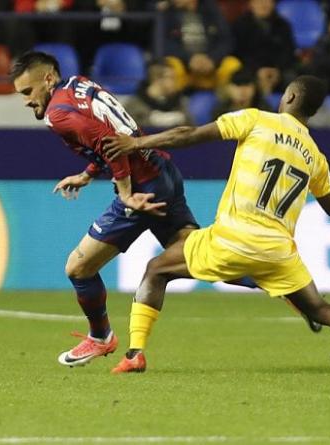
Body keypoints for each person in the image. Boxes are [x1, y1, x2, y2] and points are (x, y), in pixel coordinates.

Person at [100, 75, 330, 376]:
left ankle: (135, 354)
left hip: (234, 237)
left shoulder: (256, 119)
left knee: (157, 270)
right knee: (320, 308)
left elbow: (189, 134)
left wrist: (137, 144)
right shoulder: (315, 156)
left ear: (289, 97)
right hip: (278, 252)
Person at [10, 51, 200, 367]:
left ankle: (100, 337)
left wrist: (125, 193)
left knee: (78, 268)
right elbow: (107, 132)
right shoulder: (78, 85)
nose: (26, 101)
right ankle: (273, 280)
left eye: (28, 92)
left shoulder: (58, 113)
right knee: (200, 254)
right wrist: (87, 174)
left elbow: (109, 140)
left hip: (142, 188)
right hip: (162, 171)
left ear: (48, 78)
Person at [160, 0, 241, 91]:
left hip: (211, 64)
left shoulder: (211, 9)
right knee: (171, 66)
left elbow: (227, 40)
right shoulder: (169, 12)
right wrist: (190, 58)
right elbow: (164, 43)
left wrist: (212, 58)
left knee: (233, 65)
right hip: (185, 65)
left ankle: (225, 102)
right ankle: (176, 103)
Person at [231, 0, 297, 95]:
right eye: (258, 1)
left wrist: (276, 70)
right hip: (250, 70)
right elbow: (238, 53)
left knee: (294, 80)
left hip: (279, 71)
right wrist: (258, 70)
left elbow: (289, 52)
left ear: (273, 3)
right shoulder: (240, 25)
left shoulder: (283, 25)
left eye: (267, 1)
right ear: (251, 4)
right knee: (241, 79)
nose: (263, 4)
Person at [124, 59, 194, 127]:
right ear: (157, 79)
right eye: (171, 78)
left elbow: (190, 127)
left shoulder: (179, 102)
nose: (175, 82)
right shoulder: (134, 104)